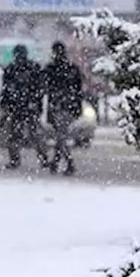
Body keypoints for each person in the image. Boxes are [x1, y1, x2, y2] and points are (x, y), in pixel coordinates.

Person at [0, 45, 47, 169]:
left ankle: (16, 159)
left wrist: (6, 105)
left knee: (17, 135)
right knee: (33, 134)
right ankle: (42, 158)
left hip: (19, 106)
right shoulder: (32, 68)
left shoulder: (12, 69)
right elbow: (39, 89)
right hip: (25, 106)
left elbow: (6, 90)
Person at [43, 41, 84, 176]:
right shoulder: (72, 69)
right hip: (69, 106)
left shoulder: (52, 69)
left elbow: (47, 88)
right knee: (61, 135)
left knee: (61, 136)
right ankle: (56, 162)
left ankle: (68, 163)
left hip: (59, 106)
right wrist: (77, 107)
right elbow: (78, 90)